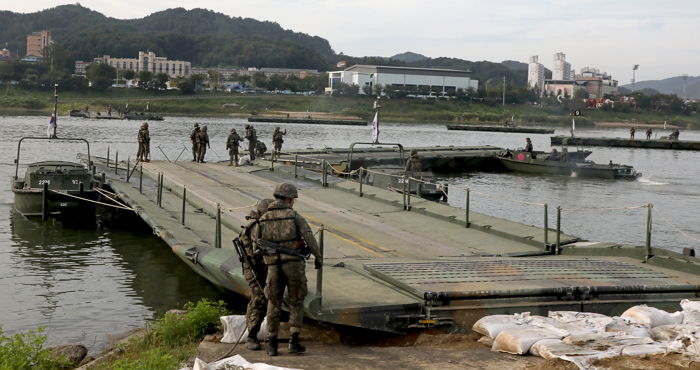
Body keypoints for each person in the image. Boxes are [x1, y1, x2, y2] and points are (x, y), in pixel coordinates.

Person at [256, 183, 322, 356]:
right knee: (296, 300)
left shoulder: (263, 219)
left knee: (273, 302)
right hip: (294, 265)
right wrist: (318, 258)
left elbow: (257, 244)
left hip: (273, 267)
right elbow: (310, 238)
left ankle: (271, 344)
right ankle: (293, 341)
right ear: (289, 199)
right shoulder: (294, 217)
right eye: (293, 199)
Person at [236, 198, 274, 351]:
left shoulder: (259, 224)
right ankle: (251, 335)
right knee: (259, 300)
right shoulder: (255, 227)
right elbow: (256, 252)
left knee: (260, 299)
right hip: (254, 269)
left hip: (260, 267)